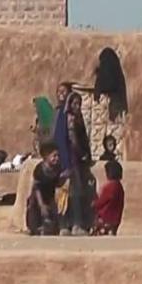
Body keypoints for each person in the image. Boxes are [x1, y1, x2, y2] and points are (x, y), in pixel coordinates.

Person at [55, 92, 94, 235]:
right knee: (64, 195)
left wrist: (86, 155)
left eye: (79, 104)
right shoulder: (63, 117)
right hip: (66, 161)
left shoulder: (79, 119)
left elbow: (83, 139)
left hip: (76, 162)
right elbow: (60, 140)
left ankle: (77, 224)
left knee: (77, 194)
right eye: (74, 104)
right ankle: (64, 225)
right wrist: (65, 164)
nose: (77, 107)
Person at [26, 141, 63, 236]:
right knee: (33, 207)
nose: (57, 158)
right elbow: (36, 188)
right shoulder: (39, 170)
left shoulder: (58, 168)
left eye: (58, 156)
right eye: (54, 156)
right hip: (38, 195)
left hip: (50, 195)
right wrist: (41, 204)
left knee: (52, 214)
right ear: (46, 157)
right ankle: (34, 228)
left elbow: (58, 183)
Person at [93, 160, 125, 236]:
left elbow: (101, 201)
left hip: (106, 218)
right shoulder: (119, 186)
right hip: (115, 220)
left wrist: (93, 204)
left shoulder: (110, 187)